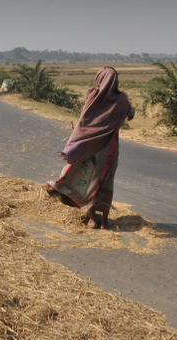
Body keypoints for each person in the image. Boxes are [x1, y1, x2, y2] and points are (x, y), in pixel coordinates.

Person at [45, 66, 134, 229]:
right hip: (109, 147)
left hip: (90, 146)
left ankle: (92, 219)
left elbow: (85, 119)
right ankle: (105, 221)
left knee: (89, 179)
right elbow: (130, 115)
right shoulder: (122, 100)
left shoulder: (92, 95)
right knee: (105, 181)